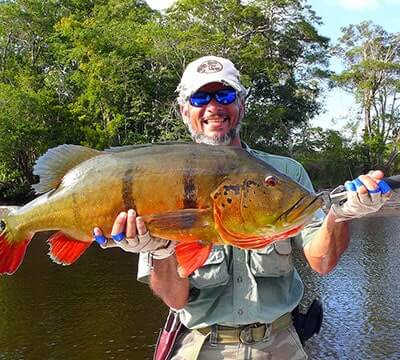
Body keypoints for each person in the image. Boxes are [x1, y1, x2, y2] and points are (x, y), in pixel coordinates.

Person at [93, 56, 391, 360]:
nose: (213, 106)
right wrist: (160, 252)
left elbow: (322, 262)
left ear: (242, 105)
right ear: (184, 111)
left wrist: (340, 215)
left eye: (225, 95)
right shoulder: (159, 179)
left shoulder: (286, 174)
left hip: (280, 344)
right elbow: (175, 298)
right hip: (201, 347)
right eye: (200, 98)